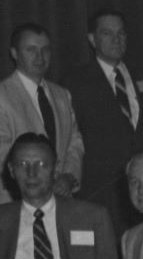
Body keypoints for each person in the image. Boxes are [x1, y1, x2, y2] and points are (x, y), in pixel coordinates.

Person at [67, 10, 143, 234]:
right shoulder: (75, 82)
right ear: (92, 39)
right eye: (107, 33)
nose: (116, 39)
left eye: (121, 33)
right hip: (101, 192)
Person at [2, 134, 108, 259]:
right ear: (11, 170)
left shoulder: (92, 218)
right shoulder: (2, 219)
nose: (32, 173)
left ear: (56, 168)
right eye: (23, 164)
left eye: (42, 164)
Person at [2, 21, 85, 193]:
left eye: (45, 50)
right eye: (31, 50)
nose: (40, 57)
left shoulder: (62, 94)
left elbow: (74, 143)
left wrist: (69, 177)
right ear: (14, 53)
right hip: (15, 203)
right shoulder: (3, 96)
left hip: (61, 201)